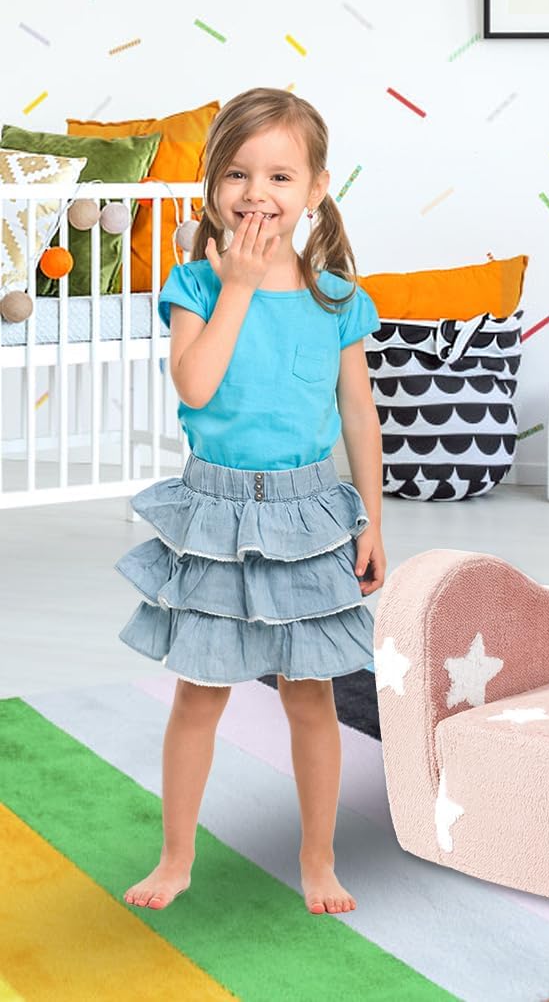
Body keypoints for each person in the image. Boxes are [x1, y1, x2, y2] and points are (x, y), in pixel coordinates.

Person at [114, 87, 385, 917]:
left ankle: (317, 859)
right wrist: (235, 285)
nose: (256, 193)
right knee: (200, 694)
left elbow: (359, 415)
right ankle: (176, 858)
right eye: (236, 173)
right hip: (216, 514)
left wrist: (372, 520)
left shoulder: (336, 299)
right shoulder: (194, 283)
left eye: (279, 175)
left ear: (317, 188)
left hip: (309, 515)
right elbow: (195, 386)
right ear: (212, 187)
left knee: (310, 695)